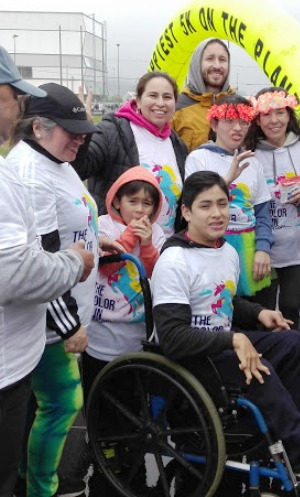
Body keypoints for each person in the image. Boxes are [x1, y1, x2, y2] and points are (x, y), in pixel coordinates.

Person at [151, 170, 300, 488]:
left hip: (220, 343)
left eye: (222, 204)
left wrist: (260, 312)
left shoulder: (225, 251)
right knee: (258, 367)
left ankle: (297, 432)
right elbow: (172, 338)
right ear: (186, 212)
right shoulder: (174, 261)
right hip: (190, 357)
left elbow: (224, 300)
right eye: (205, 206)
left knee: (290, 340)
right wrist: (234, 338)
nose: (217, 213)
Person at [0, 45, 94, 497]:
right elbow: (32, 264)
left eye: (83, 132)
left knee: (37, 407)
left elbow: (70, 224)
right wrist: (69, 324)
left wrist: (99, 239)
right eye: (70, 132)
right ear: (38, 128)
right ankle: (43, 486)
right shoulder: (30, 175)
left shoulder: (56, 161)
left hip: (44, 321)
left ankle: (28, 475)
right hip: (49, 319)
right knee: (61, 404)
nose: (79, 140)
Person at [245, 87, 300, 327]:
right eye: (266, 114)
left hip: (299, 248)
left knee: (291, 307)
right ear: (257, 120)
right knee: (265, 312)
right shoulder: (249, 153)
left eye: (280, 113)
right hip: (262, 249)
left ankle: (289, 356)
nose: (274, 120)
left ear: (290, 115)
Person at [81, 166, 165, 403]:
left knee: (131, 396)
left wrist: (147, 245)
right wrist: (130, 236)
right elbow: (107, 266)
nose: (139, 210)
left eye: (147, 204)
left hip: (136, 332)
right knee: (99, 394)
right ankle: (96, 436)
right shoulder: (103, 225)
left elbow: (155, 275)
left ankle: (126, 438)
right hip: (100, 332)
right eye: (133, 201)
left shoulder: (156, 233)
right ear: (117, 201)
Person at [72, 71, 188, 238]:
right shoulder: (113, 131)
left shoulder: (176, 143)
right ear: (138, 100)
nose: (160, 103)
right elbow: (79, 169)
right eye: (153, 95)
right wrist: (82, 134)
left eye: (167, 97)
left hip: (163, 248)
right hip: (119, 248)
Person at [185, 94, 272, 297]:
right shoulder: (198, 158)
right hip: (211, 246)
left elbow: (263, 214)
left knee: (254, 313)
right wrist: (227, 179)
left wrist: (263, 248)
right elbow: (194, 204)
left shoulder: (254, 163)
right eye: (230, 121)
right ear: (214, 124)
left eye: (243, 122)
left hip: (249, 247)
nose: (237, 128)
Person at [171, 38, 235, 151]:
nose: (217, 66)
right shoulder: (176, 107)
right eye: (210, 59)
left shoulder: (240, 107)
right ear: (197, 63)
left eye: (222, 60)